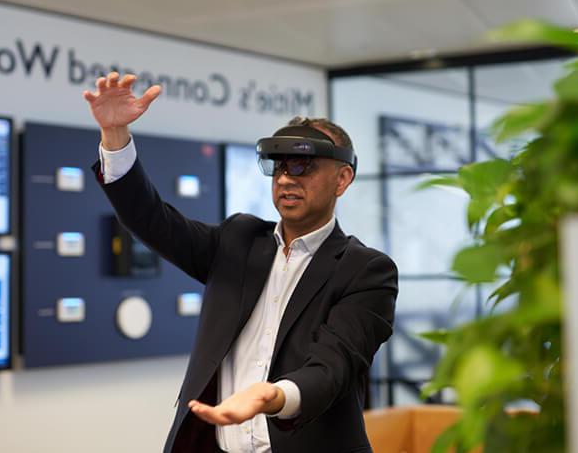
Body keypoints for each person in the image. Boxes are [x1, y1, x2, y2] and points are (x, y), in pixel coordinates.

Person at [84, 72, 398, 453]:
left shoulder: (366, 270)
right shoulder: (239, 241)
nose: (285, 179)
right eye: (278, 166)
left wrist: (275, 397)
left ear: (342, 178)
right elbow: (152, 219)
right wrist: (115, 137)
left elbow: (334, 366)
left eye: (303, 166)